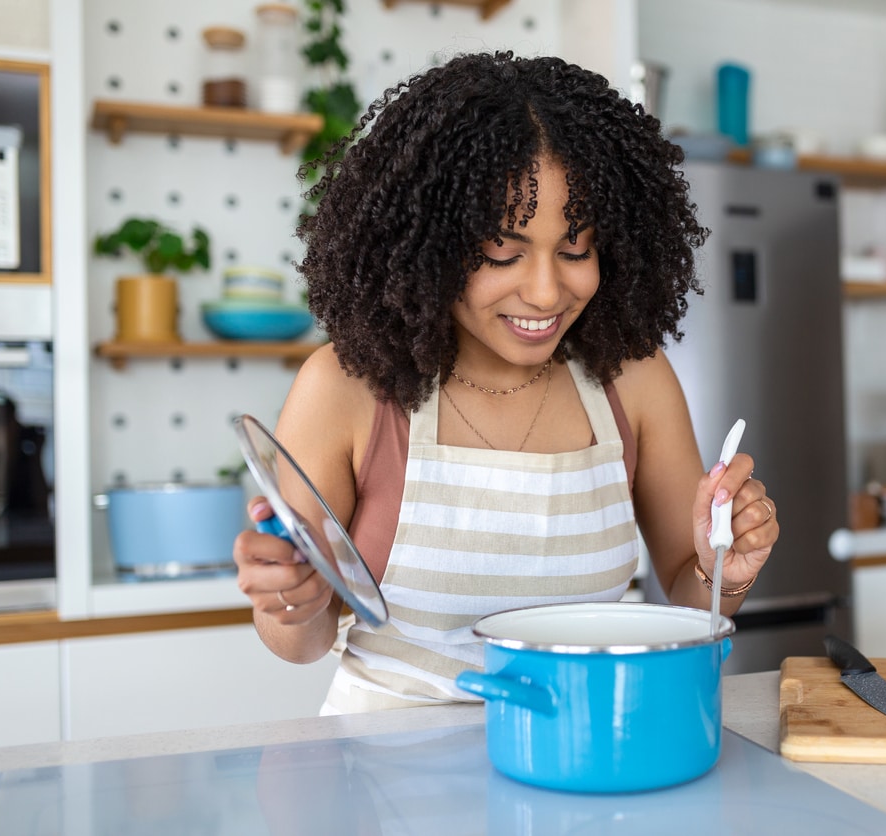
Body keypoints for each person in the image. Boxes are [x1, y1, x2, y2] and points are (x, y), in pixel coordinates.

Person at [232, 50, 779, 714]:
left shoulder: (633, 379)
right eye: (501, 253)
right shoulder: (346, 387)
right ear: (428, 244)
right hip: (385, 783)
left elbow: (689, 597)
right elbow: (303, 644)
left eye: (575, 249)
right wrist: (292, 598)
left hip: (576, 758)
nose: (547, 290)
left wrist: (727, 569)